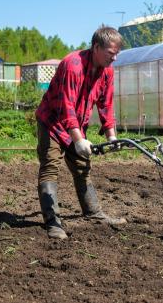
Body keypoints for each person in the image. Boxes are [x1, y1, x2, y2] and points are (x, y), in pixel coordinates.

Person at [35, 26, 126, 239]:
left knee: (82, 167)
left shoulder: (107, 71)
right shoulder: (72, 65)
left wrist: (111, 136)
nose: (114, 58)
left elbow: (106, 103)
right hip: (52, 123)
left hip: (76, 124)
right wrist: (78, 139)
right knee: (50, 167)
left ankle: (94, 213)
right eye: (111, 53)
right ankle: (53, 222)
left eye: (117, 54)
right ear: (96, 47)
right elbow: (66, 106)